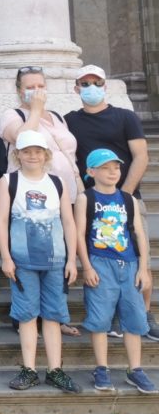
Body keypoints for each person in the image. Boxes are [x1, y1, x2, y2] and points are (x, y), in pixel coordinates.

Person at [65, 64, 157, 340]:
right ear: (76, 88)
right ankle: (104, 315)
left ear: (105, 86)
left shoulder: (125, 117)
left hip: (126, 199)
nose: (90, 87)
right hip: (90, 203)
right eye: (85, 83)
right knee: (98, 258)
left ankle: (144, 314)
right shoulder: (70, 120)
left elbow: (140, 156)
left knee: (140, 256)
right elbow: (70, 159)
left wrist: (124, 194)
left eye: (96, 82)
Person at [0, 130, 80, 393]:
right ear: (17, 154)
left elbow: (68, 220)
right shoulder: (9, 181)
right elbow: (1, 220)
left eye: (37, 151)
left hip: (55, 259)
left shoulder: (57, 182)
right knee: (27, 315)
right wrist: (6, 257)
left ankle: (55, 369)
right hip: (23, 261)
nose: (33, 155)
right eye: (27, 151)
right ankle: (29, 369)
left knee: (53, 315)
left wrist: (72, 259)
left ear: (46, 154)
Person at [75, 148, 156, 394]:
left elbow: (139, 235)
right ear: (91, 171)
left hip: (129, 265)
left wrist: (143, 268)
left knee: (135, 319)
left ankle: (136, 369)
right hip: (100, 263)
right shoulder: (85, 198)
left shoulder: (128, 199)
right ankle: (102, 368)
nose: (113, 172)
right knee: (100, 320)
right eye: (105, 168)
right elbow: (79, 234)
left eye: (116, 167)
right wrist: (86, 266)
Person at [0, 66, 80, 203]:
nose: (37, 91)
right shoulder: (12, 115)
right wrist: (36, 109)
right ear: (20, 91)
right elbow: (21, 139)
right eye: (30, 87)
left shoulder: (57, 116)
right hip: (35, 195)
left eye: (41, 86)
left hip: (68, 190)